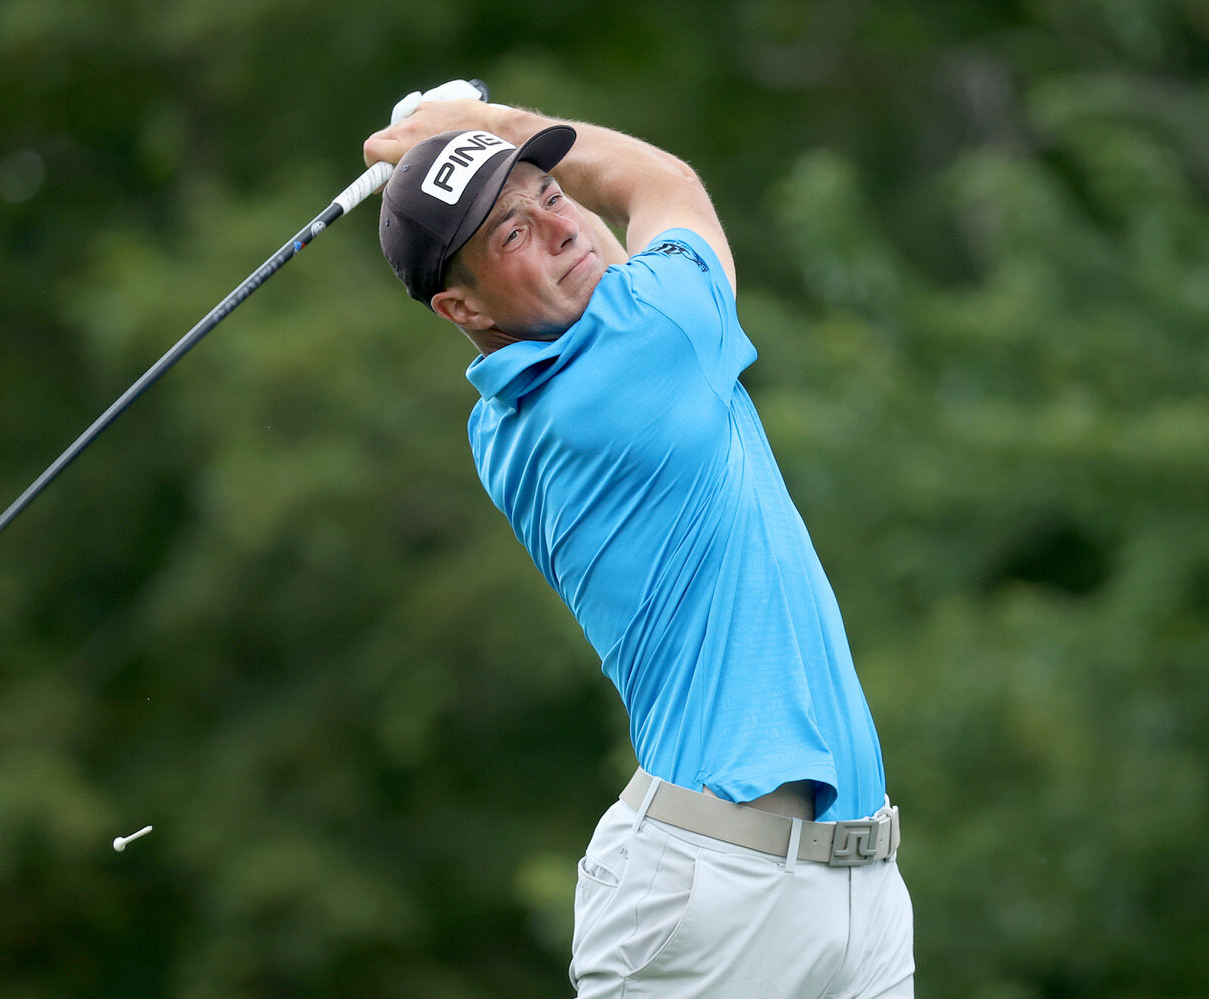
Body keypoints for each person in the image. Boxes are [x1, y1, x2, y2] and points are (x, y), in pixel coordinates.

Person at [364, 87, 915, 998]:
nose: (556, 227)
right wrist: (492, 125)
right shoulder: (636, 354)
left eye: (547, 194)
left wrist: (478, 152)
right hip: (716, 897)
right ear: (460, 309)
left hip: (848, 890)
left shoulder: (539, 400)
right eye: (511, 234)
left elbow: (607, 265)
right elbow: (659, 183)